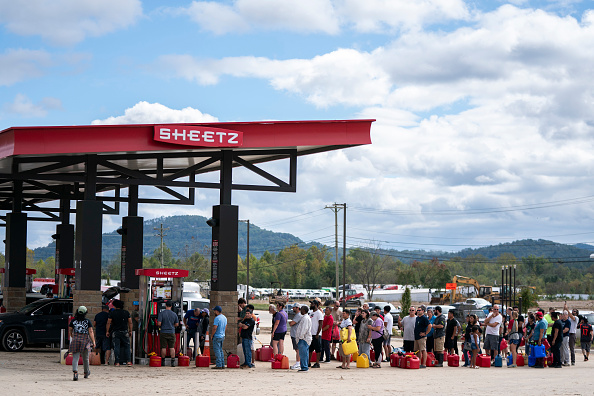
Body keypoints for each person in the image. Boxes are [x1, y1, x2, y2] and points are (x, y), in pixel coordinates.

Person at [68, 306, 95, 381]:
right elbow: (91, 331)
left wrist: (73, 337)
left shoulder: (73, 321)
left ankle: (75, 372)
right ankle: (86, 372)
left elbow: (70, 330)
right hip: (85, 340)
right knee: (85, 358)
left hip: (76, 339)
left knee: (75, 357)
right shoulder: (87, 321)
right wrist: (93, 341)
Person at [106, 299, 133, 367]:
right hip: (125, 331)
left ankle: (117, 362)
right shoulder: (126, 312)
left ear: (115, 306)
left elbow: (108, 322)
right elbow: (130, 322)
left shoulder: (112, 313)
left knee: (116, 346)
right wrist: (130, 330)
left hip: (116, 331)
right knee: (127, 346)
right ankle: (129, 361)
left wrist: (107, 331)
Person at [156, 301, 179, 367]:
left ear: (165, 305)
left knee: (163, 347)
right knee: (172, 347)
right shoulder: (174, 314)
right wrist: (172, 326)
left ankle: (163, 362)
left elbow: (159, 323)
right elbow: (177, 324)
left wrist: (161, 326)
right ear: (171, 306)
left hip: (163, 332)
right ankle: (173, 362)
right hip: (171, 332)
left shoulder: (161, 313)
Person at [295, 305, 312, 372]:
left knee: (303, 354)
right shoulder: (304, 318)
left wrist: (300, 337)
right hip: (304, 339)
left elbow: (304, 329)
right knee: (304, 353)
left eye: (301, 309)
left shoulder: (305, 318)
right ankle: (304, 366)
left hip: (303, 339)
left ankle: (304, 367)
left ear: (304, 311)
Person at [309, 300, 323, 368]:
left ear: (316, 305)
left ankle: (317, 363)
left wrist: (317, 333)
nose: (311, 305)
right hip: (310, 333)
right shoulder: (310, 312)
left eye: (312, 304)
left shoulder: (319, 313)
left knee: (318, 349)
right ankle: (308, 362)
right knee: (310, 349)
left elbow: (320, 324)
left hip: (316, 334)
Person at [289, 303, 303, 369]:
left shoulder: (298, 315)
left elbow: (292, 323)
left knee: (297, 349)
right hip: (294, 334)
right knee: (296, 349)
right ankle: (298, 362)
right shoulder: (296, 315)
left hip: (296, 334)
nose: (293, 309)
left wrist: (290, 322)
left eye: (294, 307)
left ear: (297, 308)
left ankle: (298, 363)